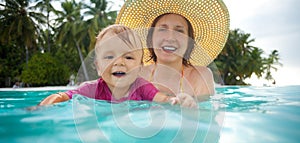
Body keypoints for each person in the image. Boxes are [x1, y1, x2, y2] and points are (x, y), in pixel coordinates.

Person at [38, 24, 196, 107]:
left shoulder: (142, 87)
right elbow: (63, 97)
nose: (119, 62)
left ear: (140, 68)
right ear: (98, 67)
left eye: (128, 57)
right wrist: (42, 107)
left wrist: (176, 101)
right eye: (109, 56)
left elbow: (162, 99)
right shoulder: (90, 89)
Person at [115, 0, 230, 99]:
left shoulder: (201, 76)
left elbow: (206, 119)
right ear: (150, 39)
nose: (170, 38)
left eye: (179, 31)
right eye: (162, 29)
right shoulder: (136, 76)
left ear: (189, 43)